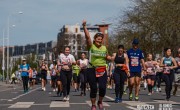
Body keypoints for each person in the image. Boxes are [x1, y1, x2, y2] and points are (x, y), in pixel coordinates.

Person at [82, 20, 112, 110]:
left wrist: (111, 58)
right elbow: (87, 37)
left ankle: (100, 101)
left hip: (102, 69)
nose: (100, 40)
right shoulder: (91, 46)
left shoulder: (104, 48)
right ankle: (93, 105)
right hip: (92, 69)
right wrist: (84, 26)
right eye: (98, 39)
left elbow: (107, 57)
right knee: (94, 88)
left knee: (102, 87)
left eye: (101, 39)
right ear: (95, 40)